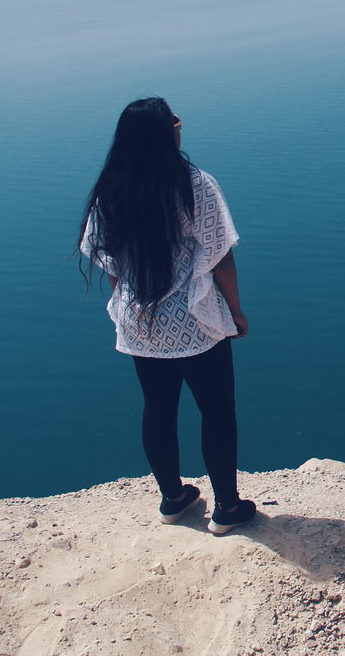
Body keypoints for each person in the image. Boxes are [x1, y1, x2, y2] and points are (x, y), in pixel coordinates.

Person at [78, 97, 256, 534]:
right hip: (197, 320)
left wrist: (132, 308)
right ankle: (227, 508)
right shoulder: (194, 184)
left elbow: (109, 261)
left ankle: (173, 497)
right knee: (217, 410)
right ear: (165, 133)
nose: (181, 127)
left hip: (142, 323)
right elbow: (220, 257)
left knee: (158, 408)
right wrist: (235, 312)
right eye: (176, 121)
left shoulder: (111, 189)